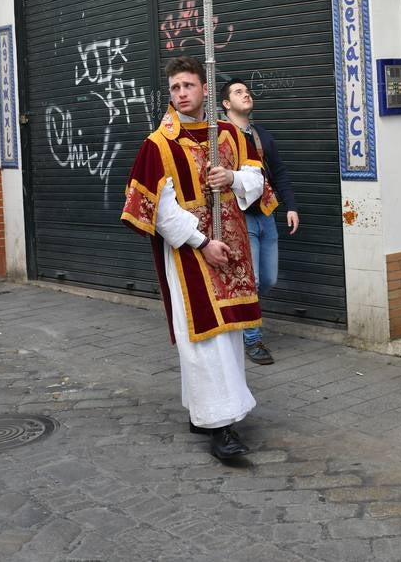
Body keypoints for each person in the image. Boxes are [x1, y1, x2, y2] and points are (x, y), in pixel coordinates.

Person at [121, 56, 265, 462]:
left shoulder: (232, 136)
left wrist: (232, 179)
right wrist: (202, 242)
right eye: (174, 89)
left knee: (230, 335)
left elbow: (257, 179)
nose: (181, 94)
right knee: (202, 339)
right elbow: (161, 209)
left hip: (232, 249)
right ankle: (221, 428)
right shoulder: (158, 144)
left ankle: (206, 412)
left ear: (205, 89)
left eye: (188, 86)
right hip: (191, 254)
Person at [220, 78, 298, 366]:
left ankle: (240, 313)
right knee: (250, 280)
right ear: (226, 104)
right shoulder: (219, 137)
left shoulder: (260, 135)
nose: (246, 94)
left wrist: (291, 206)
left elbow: (278, 173)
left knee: (268, 278)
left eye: (247, 91)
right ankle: (252, 339)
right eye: (238, 92)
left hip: (266, 213)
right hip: (239, 218)